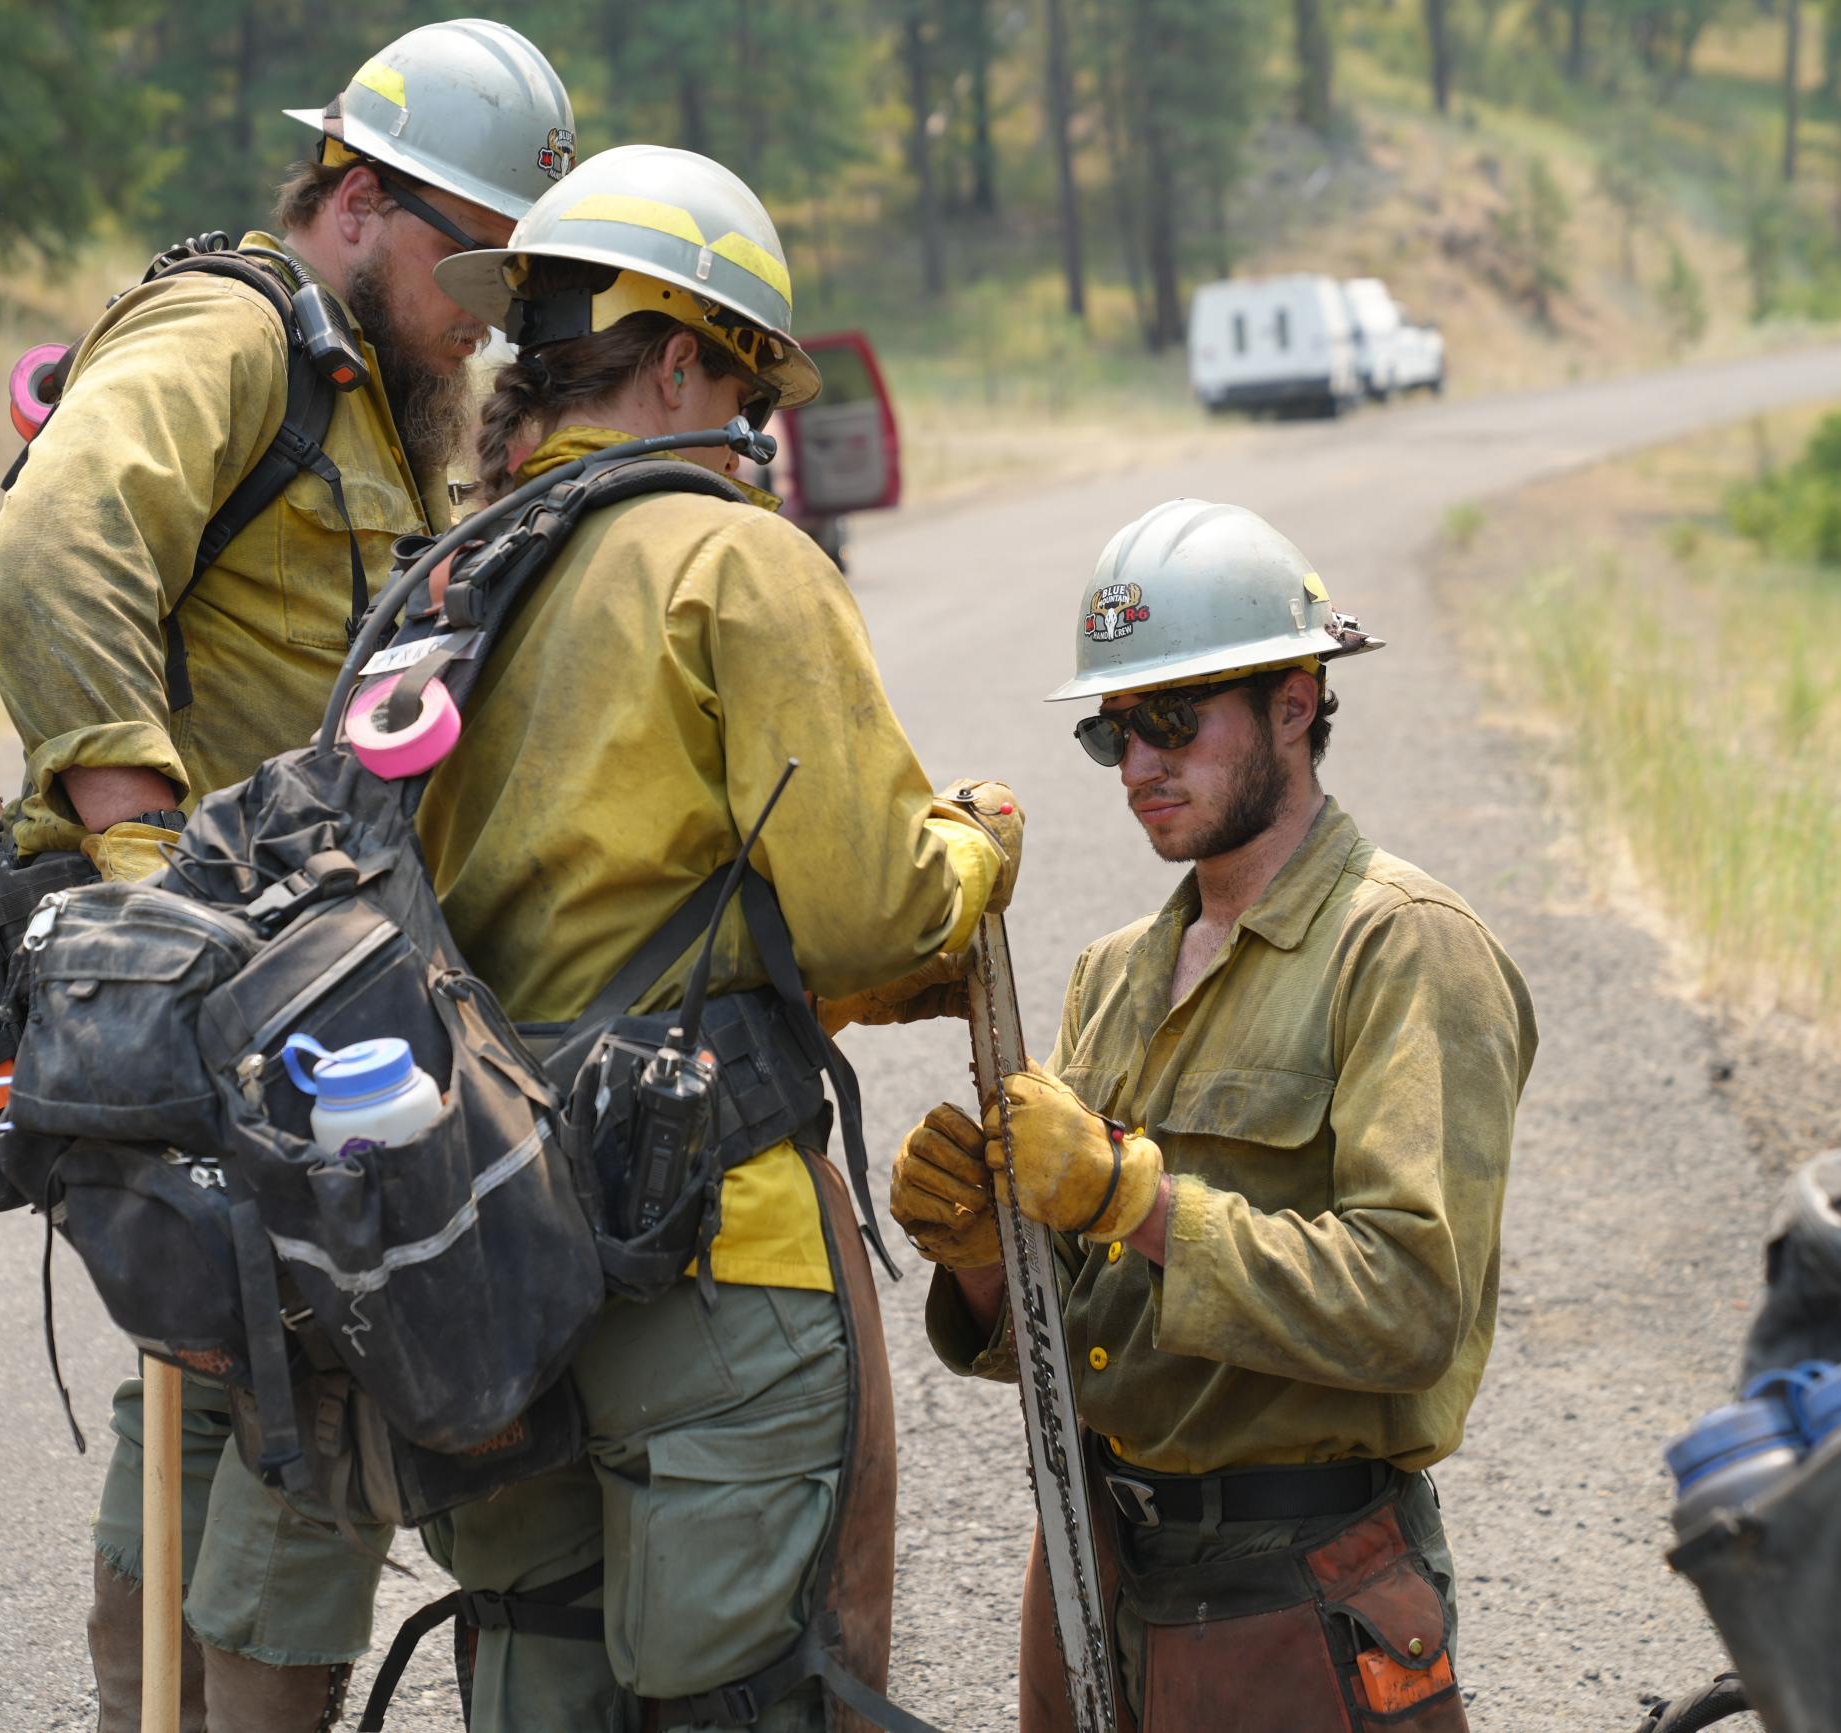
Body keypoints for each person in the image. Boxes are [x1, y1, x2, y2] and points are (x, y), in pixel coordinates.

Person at [0, 20, 574, 1728]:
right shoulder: (235, 331)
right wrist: (144, 860)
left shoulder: (367, 382)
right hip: (224, 996)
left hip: (284, 1000)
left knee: (221, 1375)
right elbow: (56, 539)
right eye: (473, 258)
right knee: (322, 1407)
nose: (489, 304)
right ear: (362, 197)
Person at [404, 142, 1021, 1730]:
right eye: (745, 386)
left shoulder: (444, 580)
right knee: (753, 1698)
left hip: (492, 1254)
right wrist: (977, 849)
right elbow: (875, 906)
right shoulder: (734, 558)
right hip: (712, 1247)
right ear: (677, 354)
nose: (758, 433)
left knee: (536, 1676)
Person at [889, 501, 1536, 1732]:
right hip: (1097, 1577)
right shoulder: (1112, 973)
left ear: (1294, 703)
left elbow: (1407, 1305)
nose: (1137, 767)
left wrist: (1129, 1198)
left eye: (1172, 720)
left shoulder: (1401, 951)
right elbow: (1074, 1337)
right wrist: (983, 1258)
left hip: (1295, 1597)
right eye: (1112, 732)